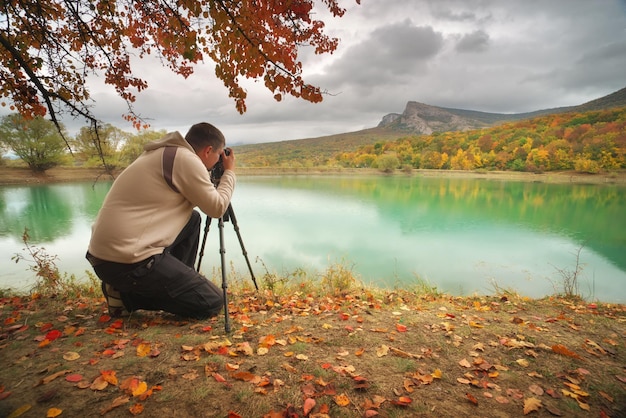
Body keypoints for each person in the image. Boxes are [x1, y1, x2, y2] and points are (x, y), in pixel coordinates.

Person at [86, 122, 236, 319]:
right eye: (218, 156)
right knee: (212, 302)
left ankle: (177, 284)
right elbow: (217, 208)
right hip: (128, 261)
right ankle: (125, 297)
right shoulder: (185, 160)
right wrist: (230, 172)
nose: (218, 162)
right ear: (208, 151)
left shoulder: (165, 153)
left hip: (105, 258)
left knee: (193, 219)